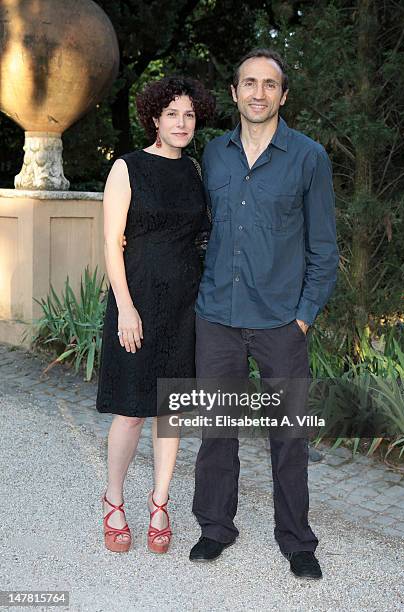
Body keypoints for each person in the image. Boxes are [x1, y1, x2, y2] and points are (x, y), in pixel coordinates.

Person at [189, 48, 339, 580]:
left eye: (269, 84)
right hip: (217, 317)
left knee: (289, 434)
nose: (258, 92)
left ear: (283, 95)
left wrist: (303, 315)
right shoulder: (213, 154)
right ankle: (214, 528)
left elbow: (324, 247)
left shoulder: (308, 157)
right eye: (248, 82)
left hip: (281, 321)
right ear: (234, 93)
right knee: (215, 429)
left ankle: (297, 540)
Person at [96, 76, 214, 554]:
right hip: (137, 301)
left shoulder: (194, 172)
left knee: (170, 412)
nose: (181, 123)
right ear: (154, 119)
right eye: (172, 115)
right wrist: (125, 307)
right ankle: (114, 501)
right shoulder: (127, 167)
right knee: (130, 411)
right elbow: (111, 242)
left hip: (184, 307)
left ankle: (160, 504)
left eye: (188, 115)